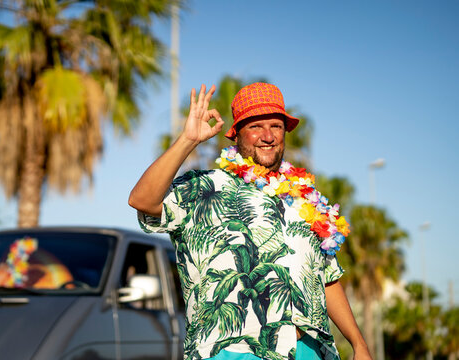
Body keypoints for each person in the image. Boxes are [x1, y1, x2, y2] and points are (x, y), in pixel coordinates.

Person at [128, 83, 372, 360]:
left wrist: (358, 343)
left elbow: (326, 277)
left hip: (307, 350)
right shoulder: (205, 187)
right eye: (256, 126)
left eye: (276, 126)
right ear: (237, 135)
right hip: (232, 349)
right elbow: (142, 200)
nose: (267, 136)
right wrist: (189, 140)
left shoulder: (307, 200)